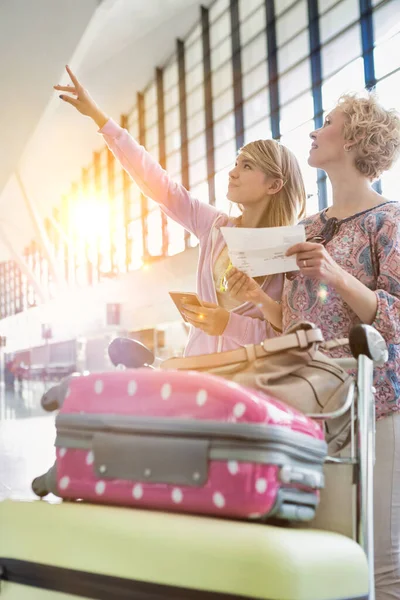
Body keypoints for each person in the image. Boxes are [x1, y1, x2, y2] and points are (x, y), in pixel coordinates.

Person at [226, 92, 400, 600]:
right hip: (311, 404)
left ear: (353, 139)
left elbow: (395, 320)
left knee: (380, 559)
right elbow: (298, 325)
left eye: (327, 123)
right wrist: (258, 297)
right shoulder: (309, 228)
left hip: (375, 404)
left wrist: (336, 274)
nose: (314, 131)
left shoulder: (388, 222)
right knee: (320, 544)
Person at [54, 66, 306, 357]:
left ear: (274, 185)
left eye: (246, 166)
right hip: (201, 373)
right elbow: (156, 182)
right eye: (236, 163)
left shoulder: (290, 252)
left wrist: (231, 322)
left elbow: (290, 333)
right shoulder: (214, 227)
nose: (232, 173)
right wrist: (99, 117)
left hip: (250, 385)